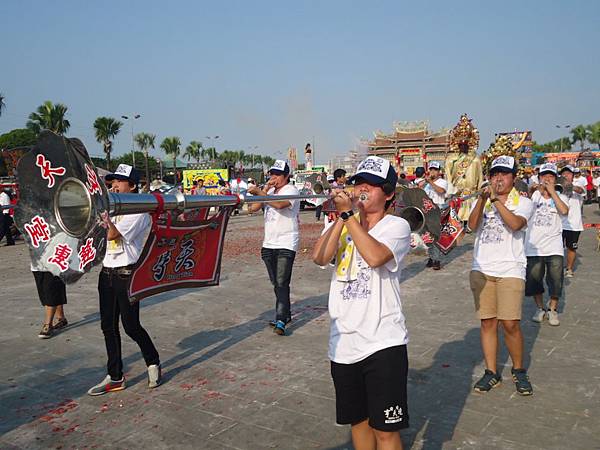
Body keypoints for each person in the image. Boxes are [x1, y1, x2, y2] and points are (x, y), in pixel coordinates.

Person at [313, 156, 411, 450]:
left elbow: (375, 256)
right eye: (359, 183)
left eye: (372, 185)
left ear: (389, 193)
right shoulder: (343, 223)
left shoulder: (397, 227)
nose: (362, 189)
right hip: (343, 344)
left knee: (386, 431)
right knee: (359, 423)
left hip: (383, 341)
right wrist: (342, 219)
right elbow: (319, 257)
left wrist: (347, 219)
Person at [88, 164, 161, 396]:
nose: (114, 185)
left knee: (130, 326)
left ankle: (153, 361)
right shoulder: (112, 207)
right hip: (107, 272)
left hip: (127, 274)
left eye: (119, 181)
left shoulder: (138, 210)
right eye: (112, 181)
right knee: (107, 326)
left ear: (132, 185)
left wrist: (100, 215)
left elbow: (111, 234)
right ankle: (115, 376)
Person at [468, 155, 534, 396]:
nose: (498, 178)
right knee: (487, 322)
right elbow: (472, 226)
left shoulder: (523, 202)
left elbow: (515, 224)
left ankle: (518, 369)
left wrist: (495, 201)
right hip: (482, 268)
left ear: (513, 178)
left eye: (504, 174)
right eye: (495, 174)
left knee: (510, 323)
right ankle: (491, 371)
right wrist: (481, 201)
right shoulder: (485, 200)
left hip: (511, 269)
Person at [247, 160, 300, 336]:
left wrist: (260, 192)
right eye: (272, 174)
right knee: (276, 283)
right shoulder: (268, 191)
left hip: (286, 242)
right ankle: (286, 313)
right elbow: (252, 209)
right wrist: (262, 191)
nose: (273, 178)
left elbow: (280, 204)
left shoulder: (291, 190)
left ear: (286, 176)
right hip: (268, 243)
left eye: (277, 175)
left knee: (282, 282)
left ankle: (281, 318)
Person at [524, 163, 569, 326]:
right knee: (535, 280)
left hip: (554, 247)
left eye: (550, 176)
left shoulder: (561, 197)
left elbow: (564, 211)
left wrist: (552, 193)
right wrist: (532, 191)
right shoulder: (533, 196)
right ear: (539, 178)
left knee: (556, 280)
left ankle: (553, 309)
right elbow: (523, 207)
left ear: (555, 179)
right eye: (544, 176)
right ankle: (540, 308)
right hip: (533, 247)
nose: (547, 179)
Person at [445, 114, 484, 221]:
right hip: (457, 194)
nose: (463, 146)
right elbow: (448, 178)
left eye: (465, 144)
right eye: (460, 144)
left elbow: (480, 178)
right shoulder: (451, 160)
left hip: (471, 194)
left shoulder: (476, 159)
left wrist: (480, 193)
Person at [559, 165, 585, 278]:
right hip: (559, 224)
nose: (565, 175)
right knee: (557, 248)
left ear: (573, 176)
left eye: (568, 174)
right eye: (563, 174)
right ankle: (557, 269)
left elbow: (581, 191)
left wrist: (570, 187)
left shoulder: (578, 185)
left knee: (571, 248)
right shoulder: (557, 188)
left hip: (574, 225)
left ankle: (569, 269)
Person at [423, 162, 448, 270]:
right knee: (427, 236)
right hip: (428, 211)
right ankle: (431, 257)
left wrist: (431, 182)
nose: (433, 172)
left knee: (436, 236)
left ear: (439, 172)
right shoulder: (427, 184)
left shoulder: (442, 182)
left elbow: (441, 191)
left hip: (438, 210)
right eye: (431, 169)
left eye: (435, 170)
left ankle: (437, 260)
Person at [32, 269, 69, 339]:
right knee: (43, 286)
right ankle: (60, 318)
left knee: (50, 287)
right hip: (38, 263)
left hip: (53, 262)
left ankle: (48, 324)